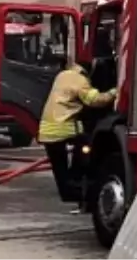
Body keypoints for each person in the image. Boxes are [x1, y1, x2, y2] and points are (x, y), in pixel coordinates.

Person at [38, 61, 117, 210]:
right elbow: (94, 100)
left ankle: (69, 193)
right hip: (62, 129)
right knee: (85, 145)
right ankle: (80, 190)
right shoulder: (80, 80)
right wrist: (114, 92)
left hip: (46, 131)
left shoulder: (62, 75)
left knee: (61, 171)